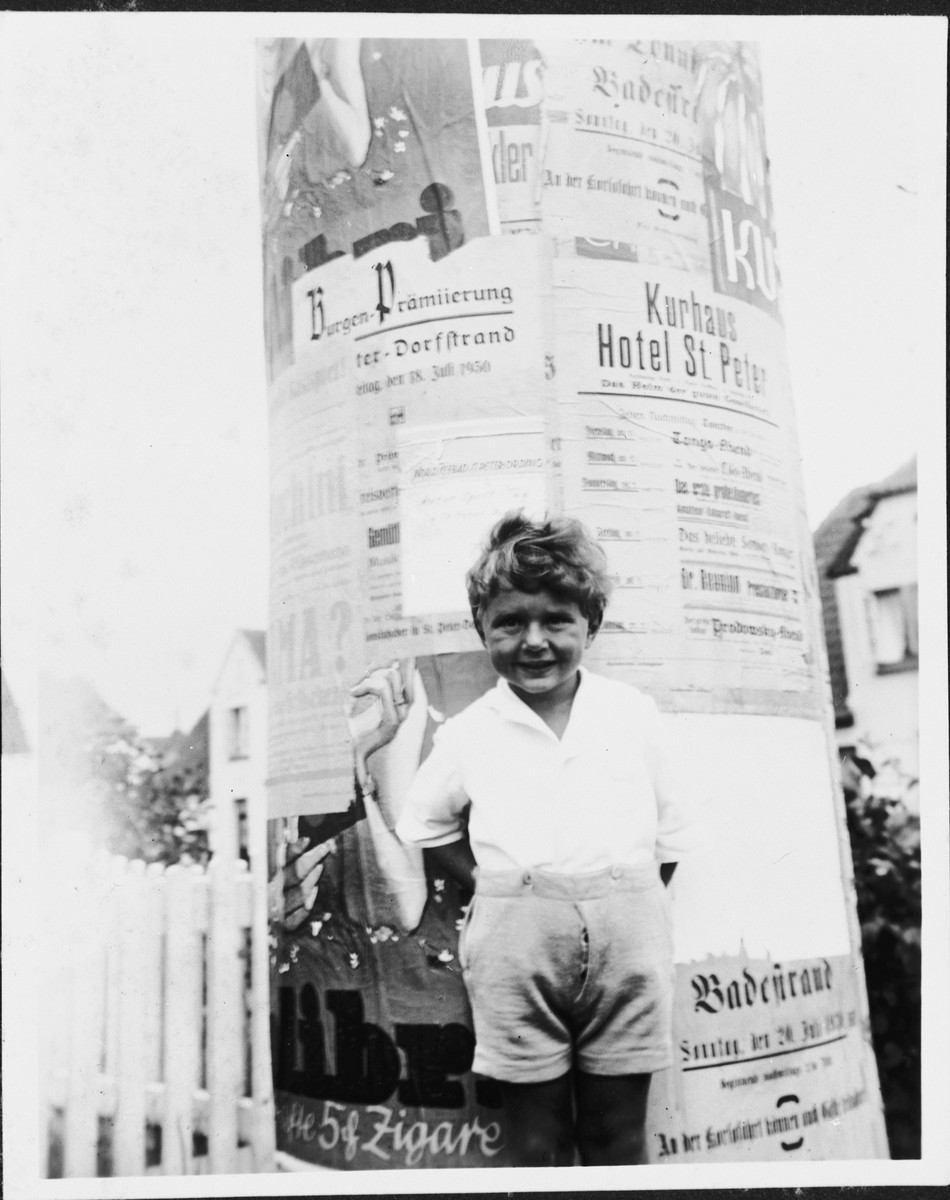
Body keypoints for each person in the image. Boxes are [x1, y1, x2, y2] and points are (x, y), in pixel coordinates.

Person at [376, 510, 696, 1167]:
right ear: (482, 631)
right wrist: (503, 893)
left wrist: (624, 902)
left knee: (617, 1138)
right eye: (511, 622)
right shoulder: (472, 730)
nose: (534, 641)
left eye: (556, 621)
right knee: (537, 1141)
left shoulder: (631, 713)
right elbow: (425, 824)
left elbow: (672, 834)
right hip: (516, 946)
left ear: (590, 626)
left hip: (627, 939)